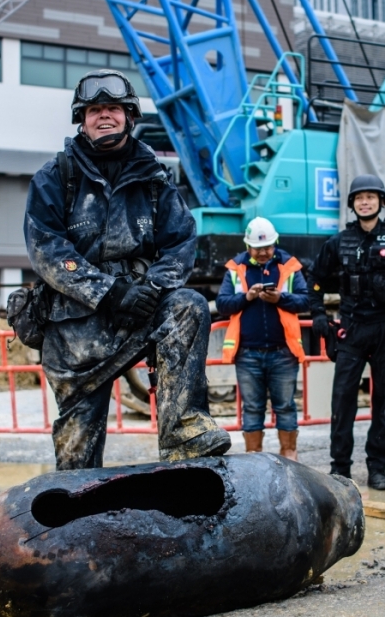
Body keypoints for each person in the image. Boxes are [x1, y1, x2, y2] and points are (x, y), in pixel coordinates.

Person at [24, 69, 230, 470]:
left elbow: (181, 241)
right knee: (76, 468)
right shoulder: (55, 177)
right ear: (81, 119)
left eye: (113, 108)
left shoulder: (154, 178)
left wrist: (151, 288)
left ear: (129, 116)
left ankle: (184, 432)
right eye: (95, 109)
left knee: (188, 306)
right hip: (77, 334)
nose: (105, 116)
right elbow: (47, 248)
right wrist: (110, 292)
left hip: (141, 311)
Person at [308, 175, 385, 490]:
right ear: (352, 204)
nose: (365, 202)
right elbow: (315, 279)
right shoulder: (338, 242)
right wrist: (318, 313)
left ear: (380, 202)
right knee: (343, 398)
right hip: (352, 326)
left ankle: (378, 467)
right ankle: (340, 468)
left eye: (371, 197)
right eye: (359, 198)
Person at [215, 217, 310, 460]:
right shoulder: (236, 268)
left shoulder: (289, 265)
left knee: (286, 407)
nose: (264, 252)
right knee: (253, 409)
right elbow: (222, 304)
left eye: (268, 247)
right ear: (248, 247)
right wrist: (246, 297)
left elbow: (305, 300)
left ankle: (289, 453)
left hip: (283, 352)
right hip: (248, 353)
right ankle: (253, 456)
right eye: (258, 248)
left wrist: (281, 299)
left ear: (275, 243)